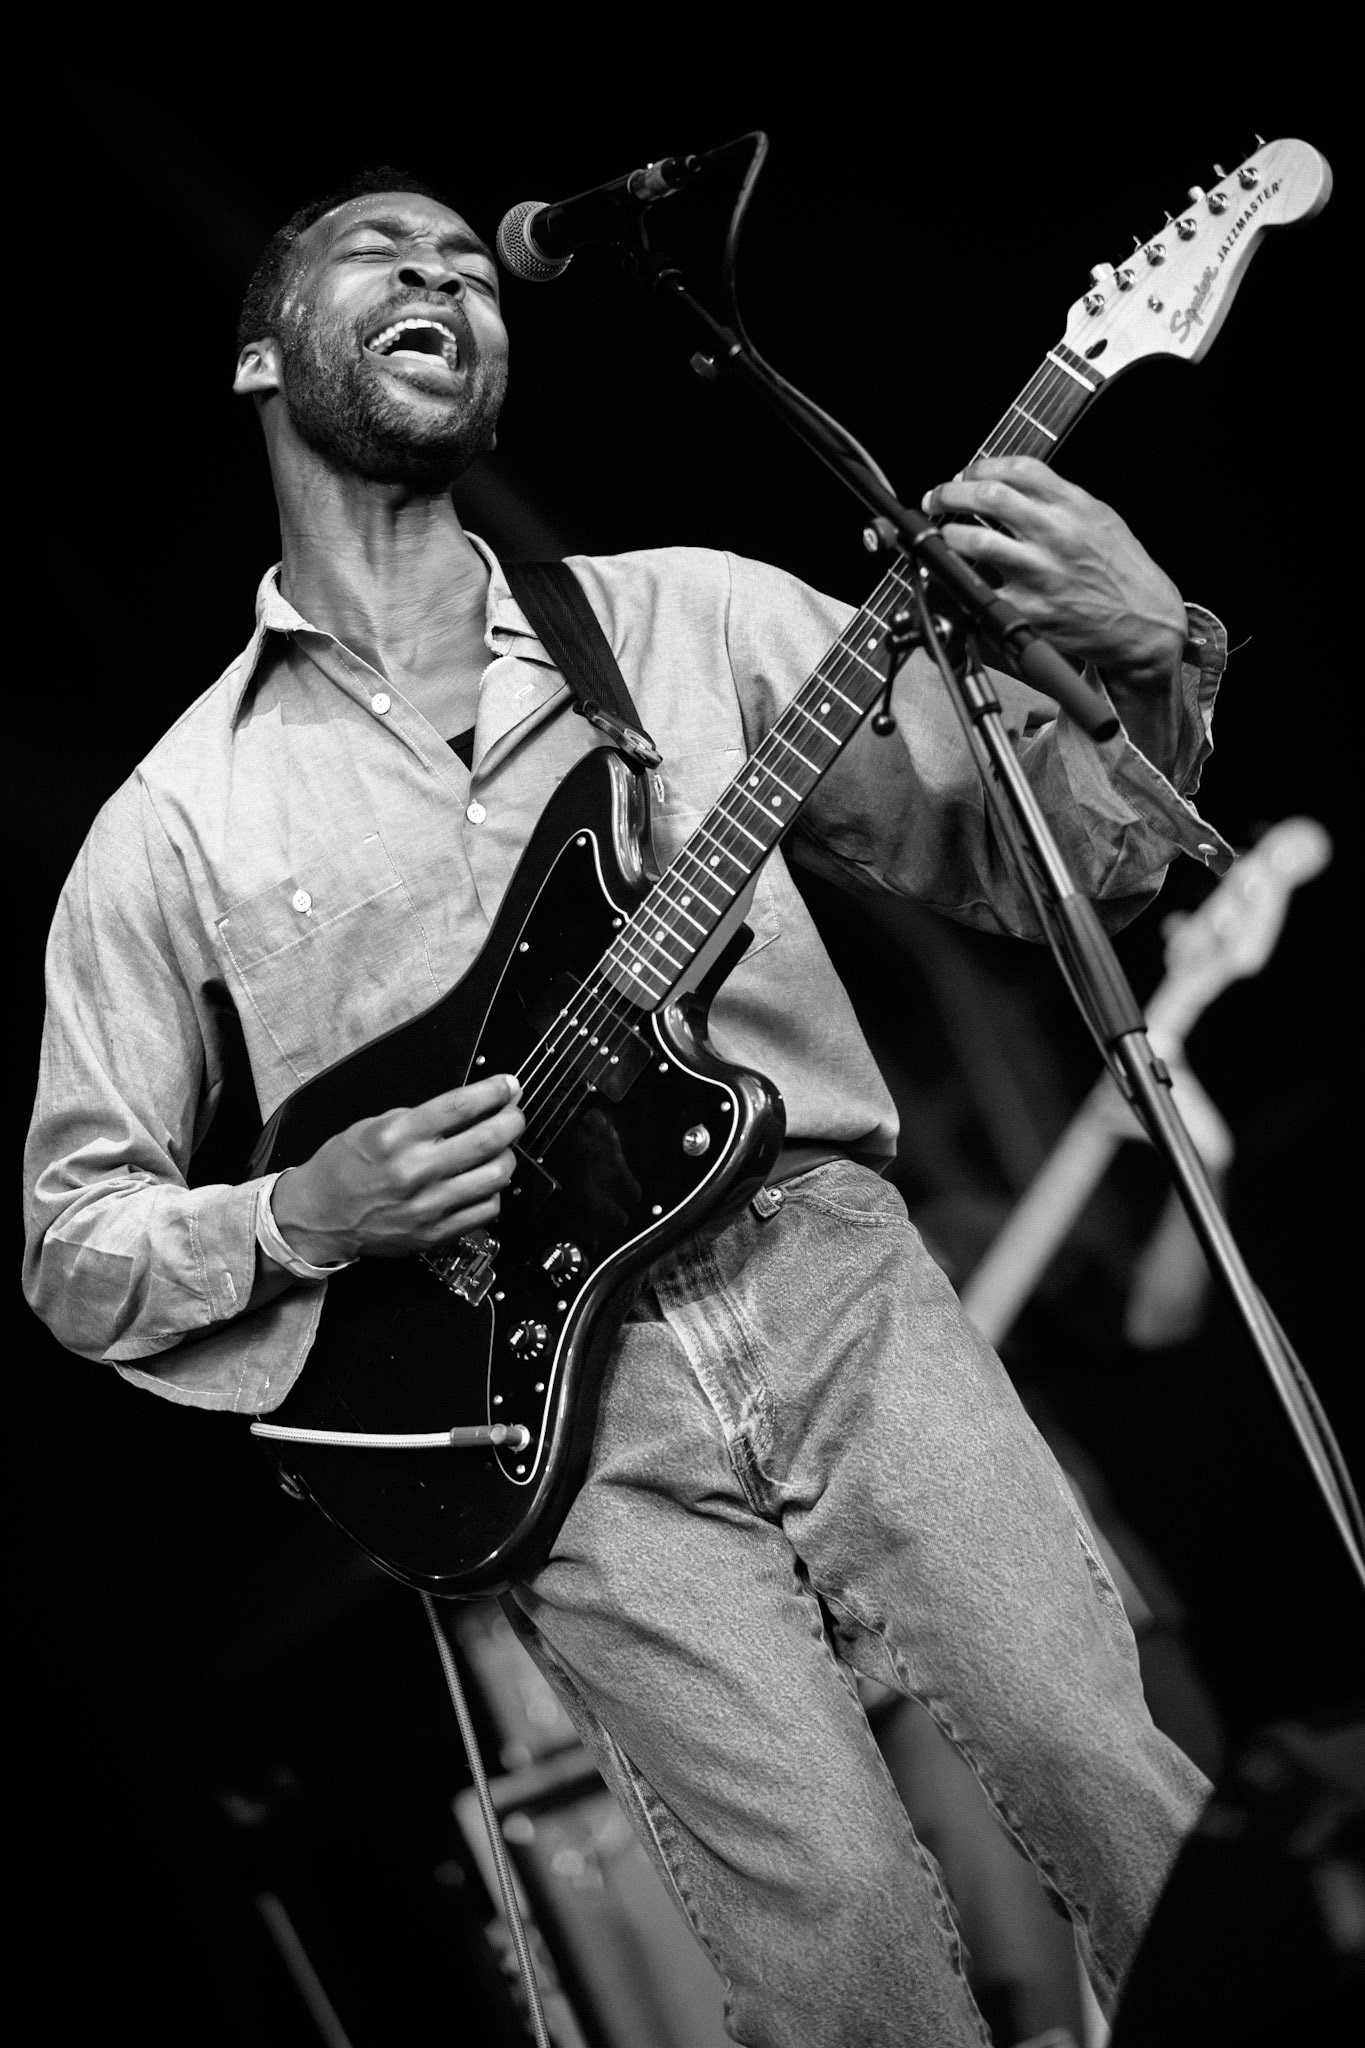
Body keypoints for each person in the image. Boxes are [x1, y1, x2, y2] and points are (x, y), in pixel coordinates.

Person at [24, 167, 1230, 2048]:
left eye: (464, 266)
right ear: (267, 354)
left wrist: (1152, 663)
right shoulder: (176, 824)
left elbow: (1030, 873)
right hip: (556, 1421)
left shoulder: (687, 623)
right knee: (830, 1946)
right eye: (378, 251)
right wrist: (296, 1218)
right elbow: (73, 1242)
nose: (444, 273)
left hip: (824, 1267)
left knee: (1107, 1771)